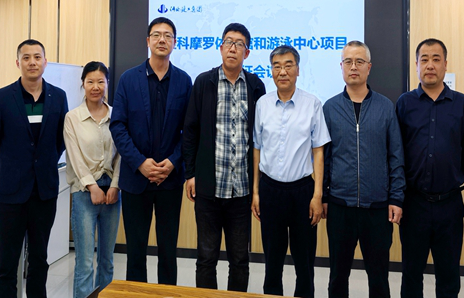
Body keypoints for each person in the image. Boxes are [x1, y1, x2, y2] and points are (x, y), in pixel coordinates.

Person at [396, 38, 464, 298]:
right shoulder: (404, 104)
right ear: (416, 65)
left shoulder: (462, 104)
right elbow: (396, 156)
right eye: (424, 59)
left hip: (450, 204)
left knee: (449, 276)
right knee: (411, 275)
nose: (430, 65)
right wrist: (395, 198)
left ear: (445, 64)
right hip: (414, 204)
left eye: (436, 59)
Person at [183, 23, 266, 291]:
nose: (233, 48)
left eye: (239, 44)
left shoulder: (255, 86)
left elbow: (261, 137)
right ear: (220, 48)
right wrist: (191, 173)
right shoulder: (203, 83)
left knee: (239, 260)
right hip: (209, 188)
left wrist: (257, 186)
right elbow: (191, 130)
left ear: (247, 53)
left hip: (241, 191)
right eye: (228, 42)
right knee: (206, 259)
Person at [110, 17, 192, 285]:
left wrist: (173, 161)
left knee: (168, 252)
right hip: (136, 180)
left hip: (170, 179)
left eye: (168, 35)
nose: (162, 40)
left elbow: (189, 130)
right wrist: (140, 163)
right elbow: (118, 125)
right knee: (135, 252)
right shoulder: (128, 79)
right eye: (156, 35)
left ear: (174, 42)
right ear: (148, 41)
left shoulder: (184, 81)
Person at [0, 39, 68, 298]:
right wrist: (9, 170)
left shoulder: (58, 97)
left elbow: (60, 140)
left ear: (45, 61)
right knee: (7, 263)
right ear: (18, 62)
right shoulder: (1, 98)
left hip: (44, 191)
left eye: (37, 57)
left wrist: (43, 165)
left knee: (39, 259)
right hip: (11, 193)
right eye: (27, 57)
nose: (32, 62)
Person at [322, 40, 405, 298]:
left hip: (377, 208)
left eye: (359, 62)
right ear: (341, 67)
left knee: (378, 278)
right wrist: (323, 196)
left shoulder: (385, 107)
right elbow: (324, 158)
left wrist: (396, 198)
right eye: (348, 61)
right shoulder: (330, 108)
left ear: (369, 67)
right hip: (340, 206)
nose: (353, 67)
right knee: (338, 277)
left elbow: (396, 156)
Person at [251, 45, 331, 298]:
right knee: (272, 262)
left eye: (288, 65)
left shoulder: (312, 104)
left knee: (304, 262)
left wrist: (317, 195)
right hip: (270, 190)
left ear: (297, 70)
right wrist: (256, 192)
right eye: (277, 66)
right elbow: (257, 149)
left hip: (302, 191)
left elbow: (319, 151)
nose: (282, 71)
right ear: (271, 71)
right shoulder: (262, 104)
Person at [64, 61, 121, 298]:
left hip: (112, 194)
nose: (95, 87)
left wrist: (115, 185)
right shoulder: (72, 118)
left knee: (107, 261)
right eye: (90, 82)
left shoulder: (117, 114)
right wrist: (92, 186)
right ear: (83, 84)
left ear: (107, 83)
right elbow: (74, 157)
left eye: (100, 81)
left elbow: (122, 154)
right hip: (84, 193)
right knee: (85, 263)